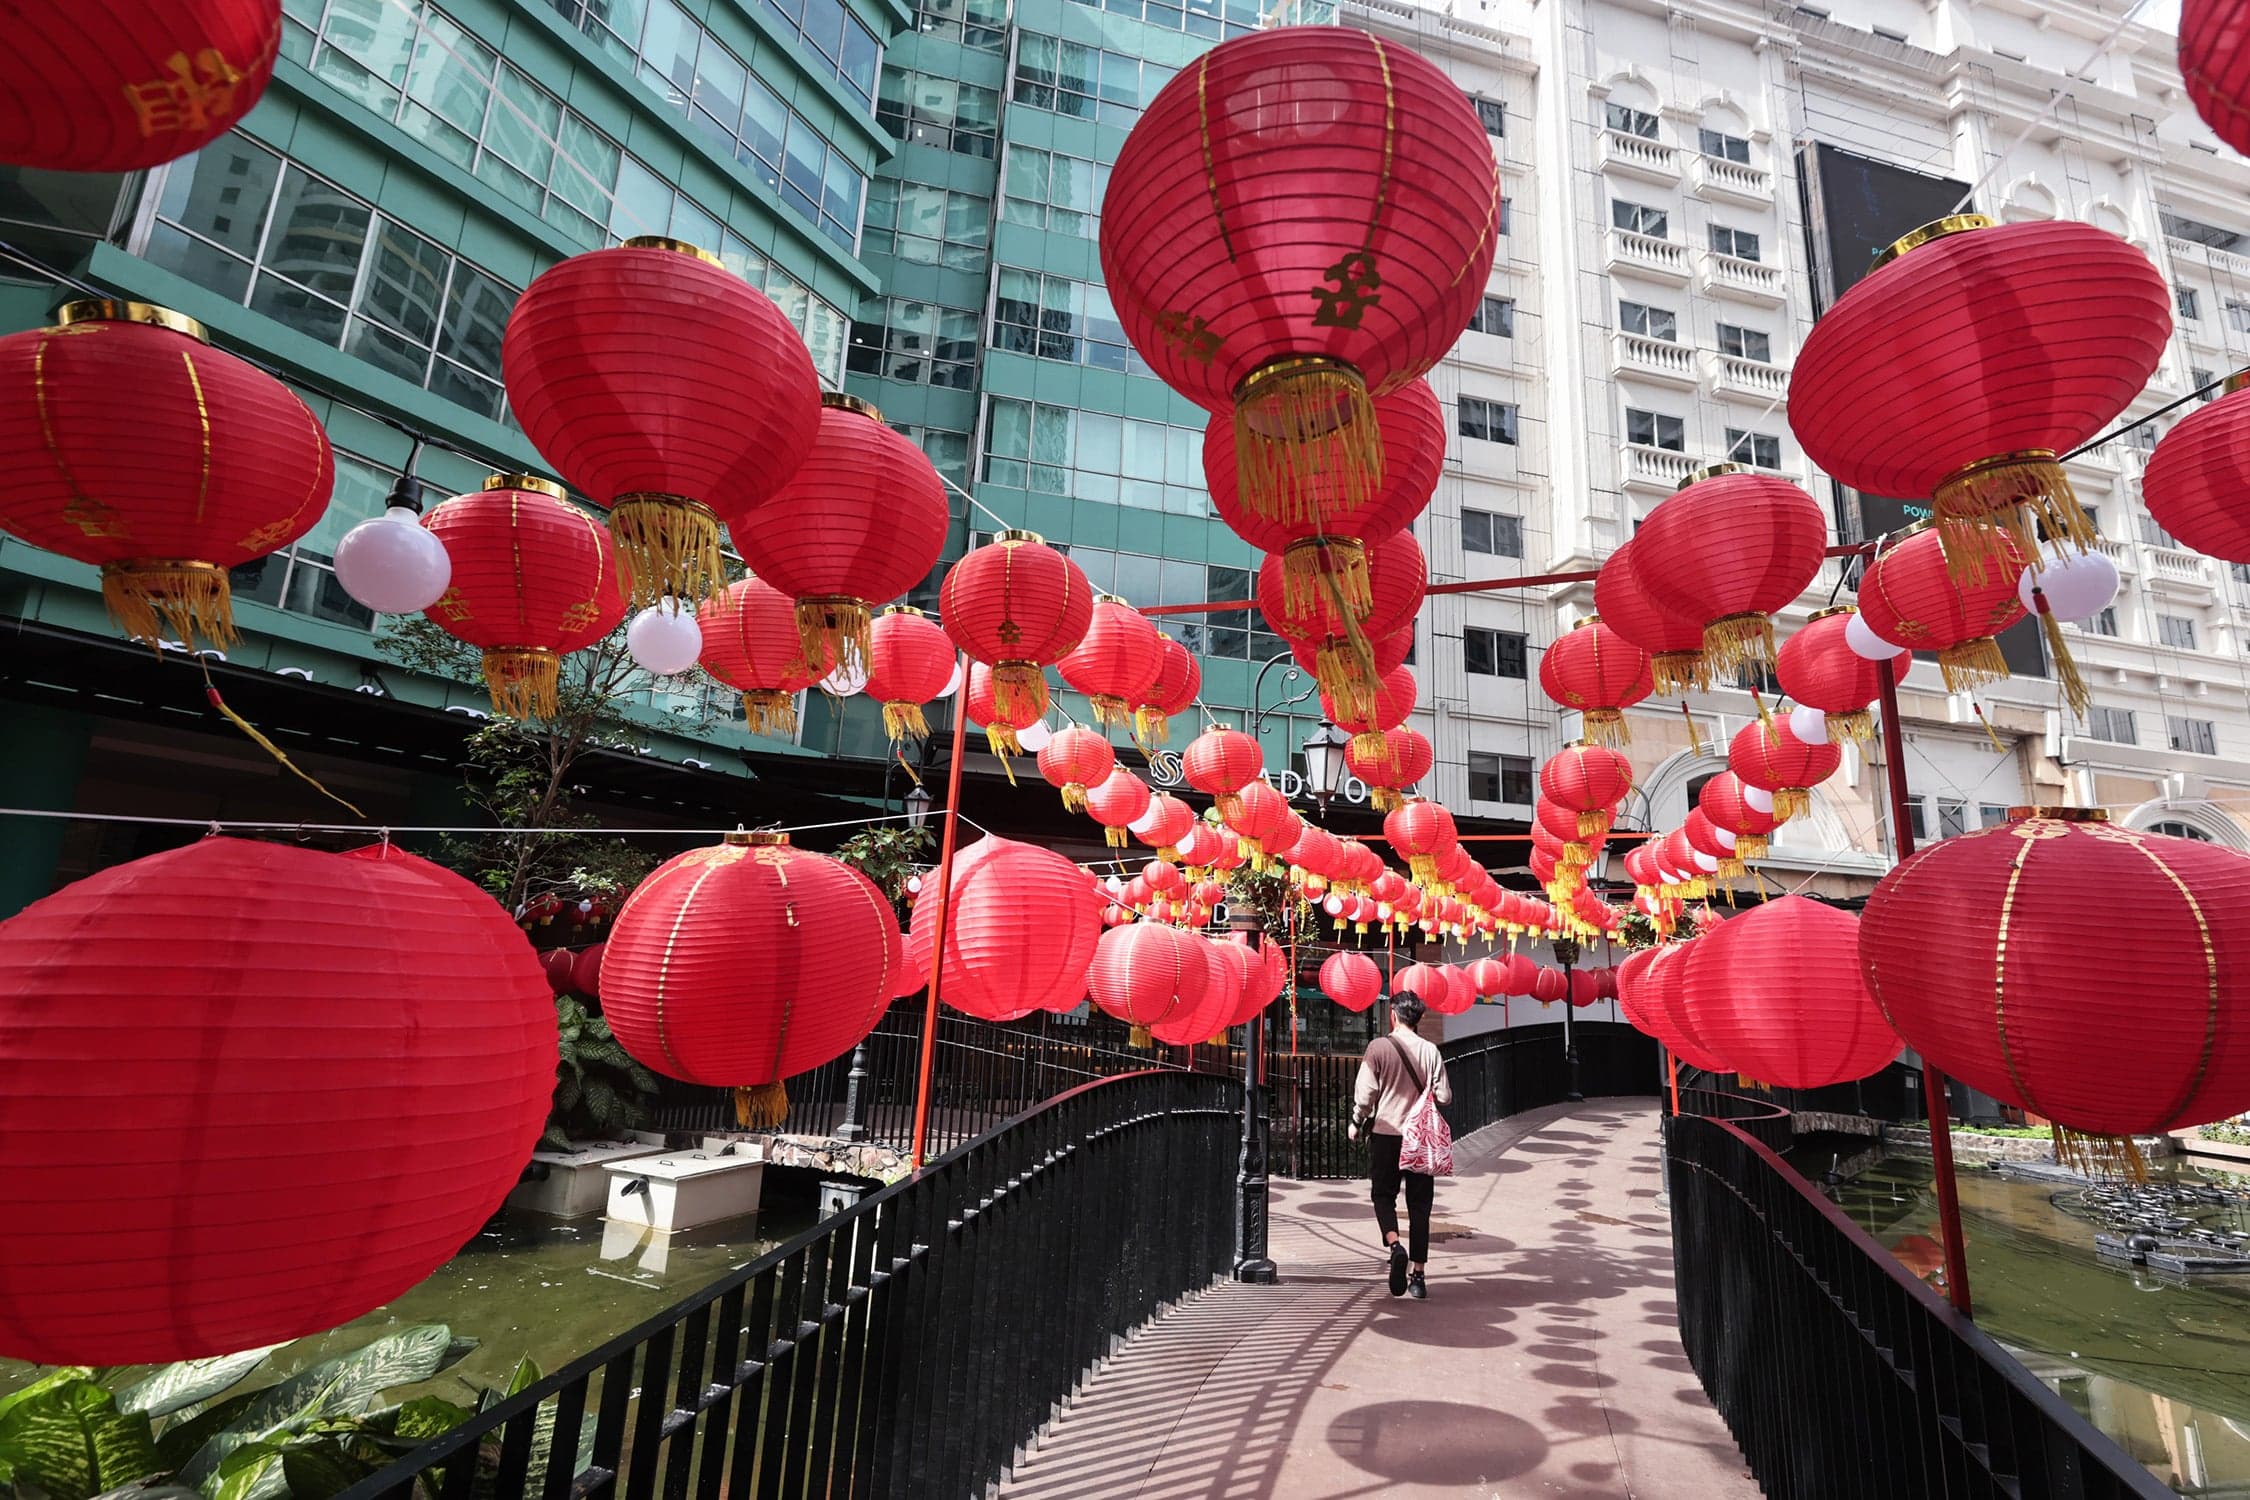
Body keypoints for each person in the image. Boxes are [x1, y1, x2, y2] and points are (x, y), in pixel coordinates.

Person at [1348, 993, 1451, 1299]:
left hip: (1387, 1134)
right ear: (1419, 1019)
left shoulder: (1378, 1048)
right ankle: (1418, 1276)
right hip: (1420, 1139)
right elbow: (1444, 1096)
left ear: (1393, 1015)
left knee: (1383, 1195)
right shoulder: (1431, 1051)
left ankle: (1395, 1246)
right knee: (1420, 1205)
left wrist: (1356, 1121)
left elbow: (1365, 1094)